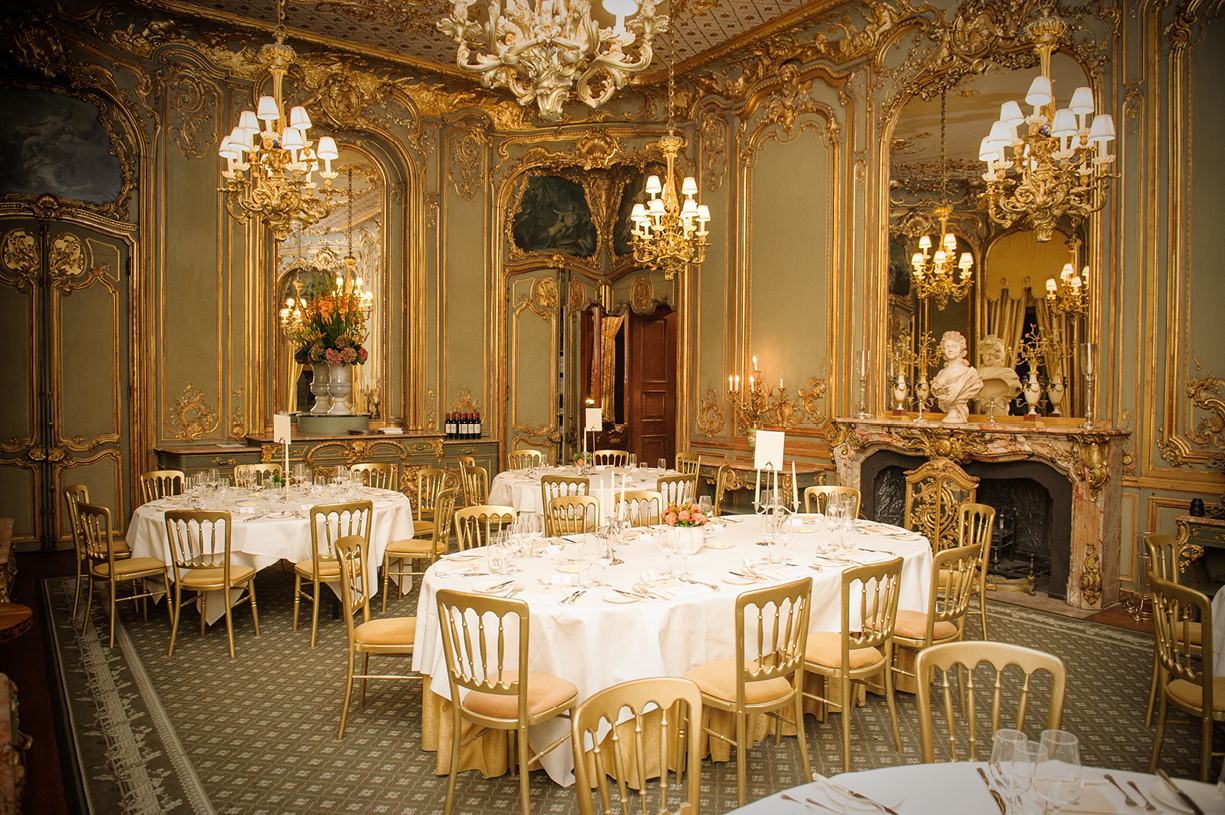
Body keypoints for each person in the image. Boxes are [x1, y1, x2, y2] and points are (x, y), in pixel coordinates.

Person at [929, 330, 982, 423]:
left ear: (960, 349)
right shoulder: (941, 373)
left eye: (953, 346)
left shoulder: (970, 374)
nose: (949, 350)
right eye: (947, 347)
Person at [975, 335, 1021, 415]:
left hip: (1000, 410)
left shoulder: (976, 374)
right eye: (1002, 350)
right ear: (997, 353)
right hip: (998, 411)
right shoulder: (1008, 374)